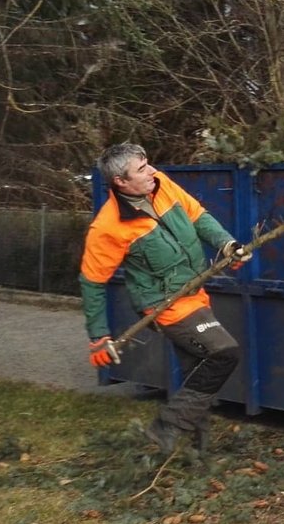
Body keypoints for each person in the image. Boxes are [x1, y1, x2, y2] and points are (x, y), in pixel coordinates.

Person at [79, 143, 250, 454]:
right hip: (165, 304)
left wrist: (227, 245)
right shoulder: (107, 227)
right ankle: (167, 427)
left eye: (148, 164)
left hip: (194, 291)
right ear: (121, 181)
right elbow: (92, 282)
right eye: (142, 169)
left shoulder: (162, 185)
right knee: (224, 353)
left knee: (197, 372)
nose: (151, 172)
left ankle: (195, 453)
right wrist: (98, 336)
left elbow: (198, 217)